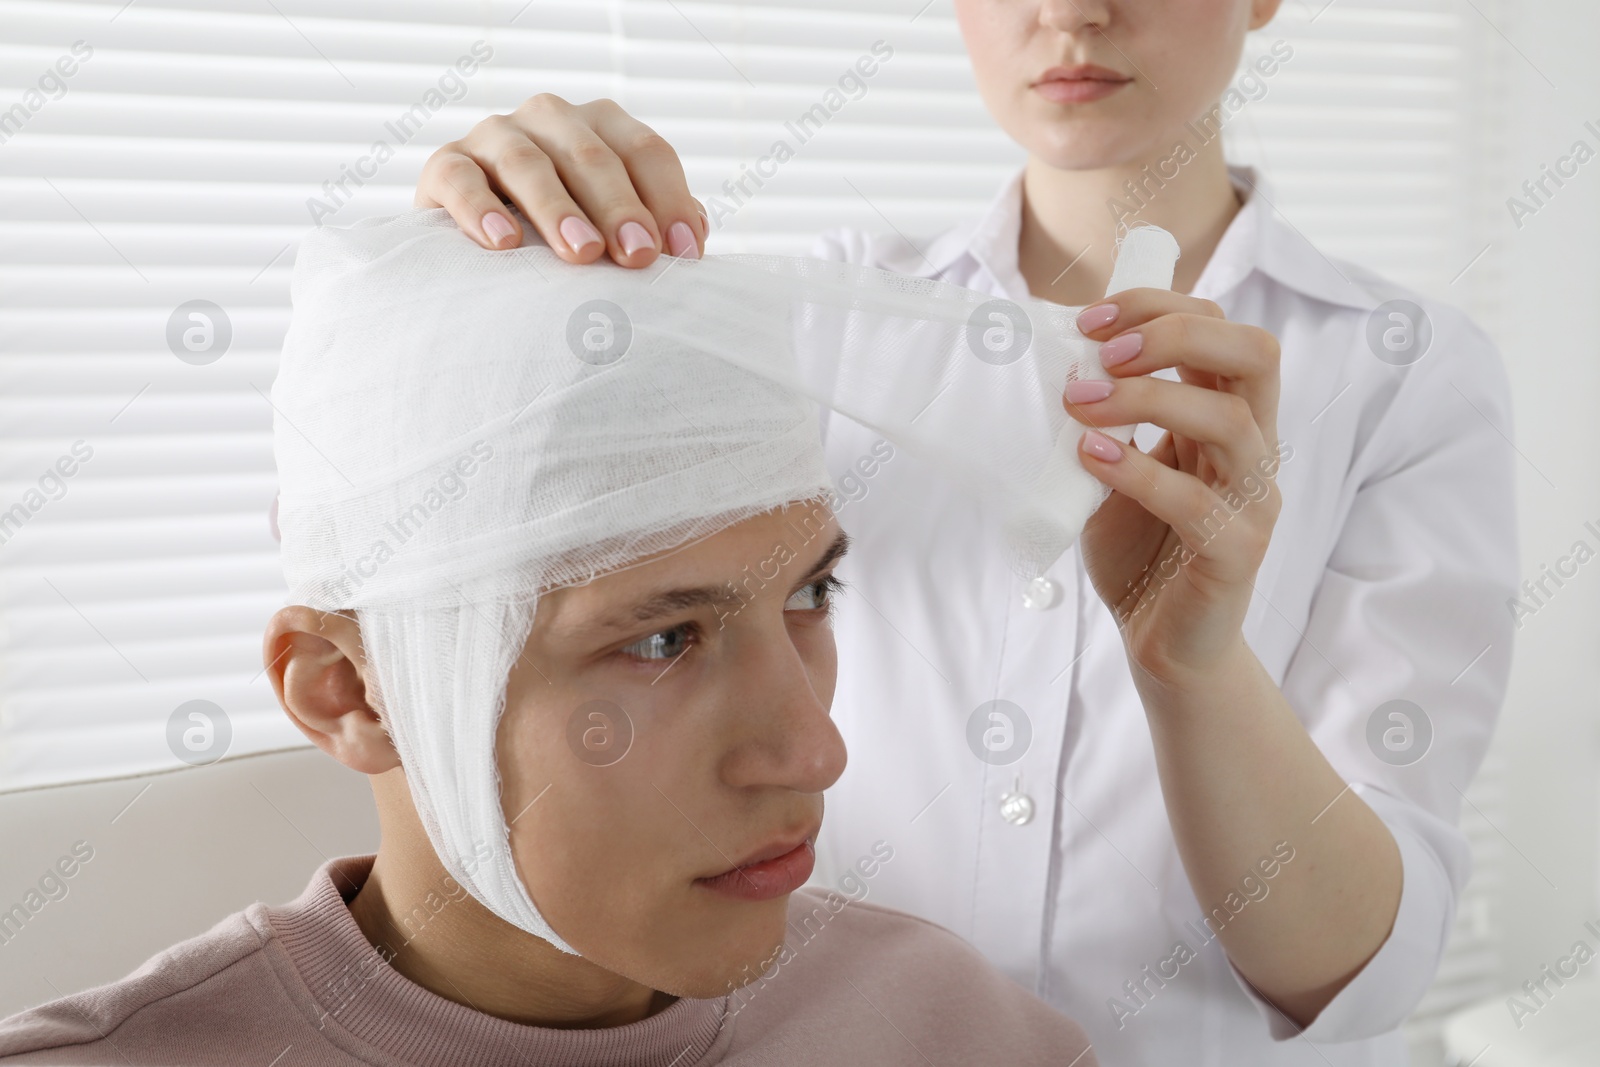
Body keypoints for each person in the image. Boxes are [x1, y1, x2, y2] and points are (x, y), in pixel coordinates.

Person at [408, 0, 1519, 1063]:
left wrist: (1195, 664)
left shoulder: (1400, 372)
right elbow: (498, 498)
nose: (1071, 12)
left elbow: (1358, 970)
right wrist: (490, 240)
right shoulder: (815, 316)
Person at [0, 210, 1101, 1067]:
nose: (815, 752)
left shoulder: (949, 1024)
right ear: (351, 691)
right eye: (665, 638)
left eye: (809, 595)